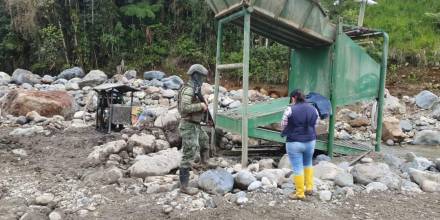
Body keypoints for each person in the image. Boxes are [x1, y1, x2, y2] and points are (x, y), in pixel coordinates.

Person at [177, 64, 210, 195]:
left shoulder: (195, 88)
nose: (203, 79)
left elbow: (196, 99)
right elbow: (184, 108)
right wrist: (200, 106)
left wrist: (204, 100)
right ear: (196, 75)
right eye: (202, 77)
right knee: (189, 152)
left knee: (204, 140)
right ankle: (184, 186)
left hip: (195, 124)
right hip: (188, 125)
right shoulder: (189, 90)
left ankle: (204, 164)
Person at [280, 89, 319, 200]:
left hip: (294, 142)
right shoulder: (313, 109)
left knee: (297, 167)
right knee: (308, 163)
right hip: (310, 141)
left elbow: (283, 125)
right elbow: (316, 123)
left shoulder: (289, 109)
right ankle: (309, 187)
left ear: (293, 98)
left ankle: (300, 193)